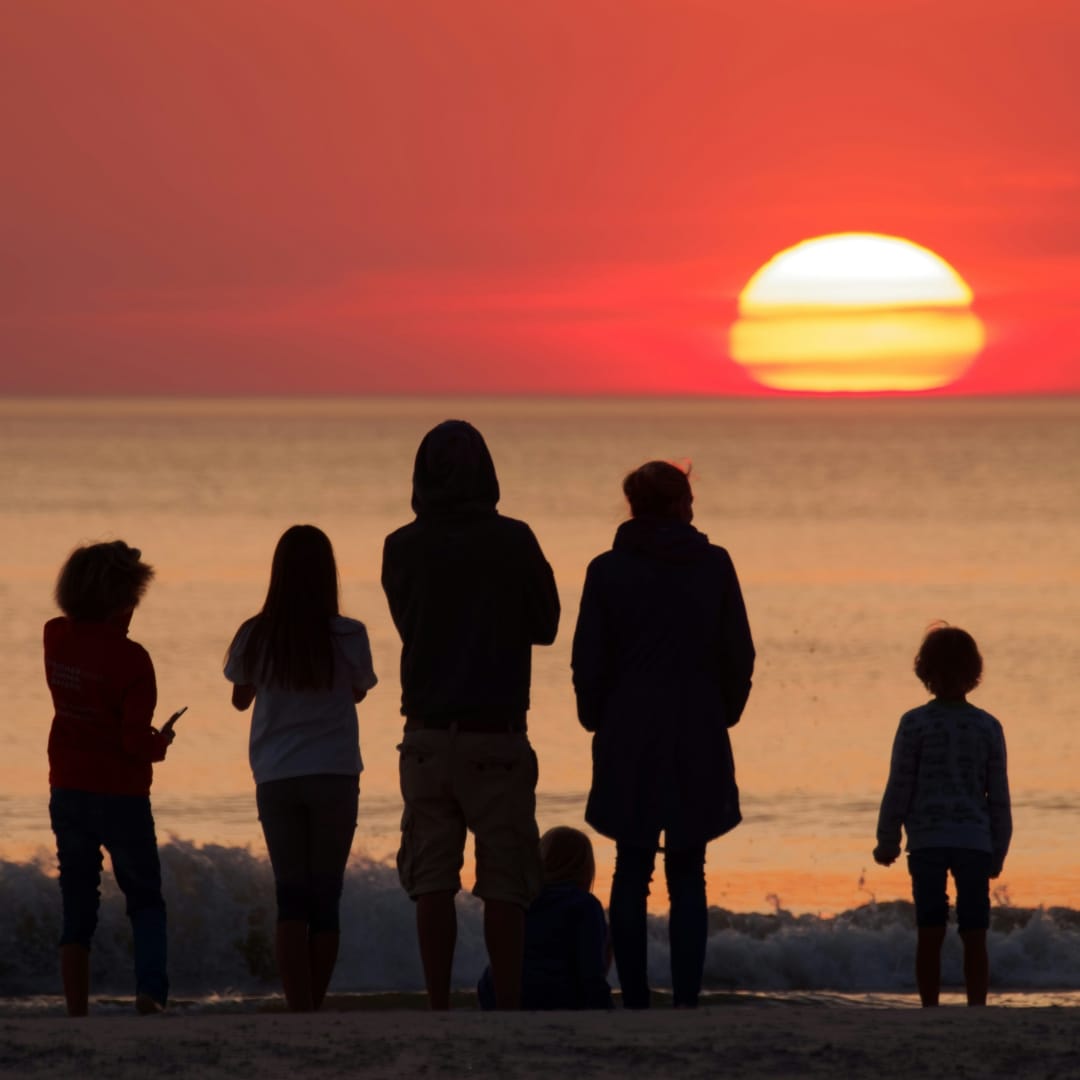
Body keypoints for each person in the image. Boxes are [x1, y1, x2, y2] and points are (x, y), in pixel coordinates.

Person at [382, 419, 560, 1010]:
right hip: (496, 733)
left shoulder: (400, 546)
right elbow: (547, 626)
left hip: (426, 731)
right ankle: (506, 1005)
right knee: (505, 881)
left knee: (431, 878)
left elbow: (409, 625)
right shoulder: (515, 540)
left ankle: (438, 1003)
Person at [572, 461, 754, 1009]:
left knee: (632, 866)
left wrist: (595, 716)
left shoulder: (606, 570)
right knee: (688, 870)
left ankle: (633, 997)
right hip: (696, 726)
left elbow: (588, 661)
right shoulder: (715, 565)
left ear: (633, 506)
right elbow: (738, 654)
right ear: (679, 504)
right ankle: (687, 999)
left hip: (629, 728)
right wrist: (723, 712)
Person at [225, 524, 376, 1011]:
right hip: (333, 773)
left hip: (276, 775)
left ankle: (297, 1006)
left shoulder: (256, 633)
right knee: (324, 895)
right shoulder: (349, 634)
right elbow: (358, 689)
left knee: (290, 895)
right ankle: (314, 1003)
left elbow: (239, 699)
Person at [45, 540, 176, 1016]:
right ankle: (150, 993)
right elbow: (133, 743)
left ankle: (76, 1007)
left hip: (68, 788)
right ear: (123, 601)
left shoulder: (54, 637)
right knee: (144, 897)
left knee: (77, 901)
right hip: (121, 794)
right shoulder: (133, 660)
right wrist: (161, 742)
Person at [874, 623, 1012, 1007]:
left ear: (925, 672)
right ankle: (976, 1007)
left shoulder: (914, 723)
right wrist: (998, 850)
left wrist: (887, 841)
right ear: (975, 673)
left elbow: (899, 787)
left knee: (930, 929)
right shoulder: (987, 726)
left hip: (928, 840)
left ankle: (931, 1007)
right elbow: (998, 797)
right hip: (973, 841)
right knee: (975, 931)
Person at [477, 826, 613, 1011]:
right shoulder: (584, 904)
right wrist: (604, 1004)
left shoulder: (520, 899)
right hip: (552, 994)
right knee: (607, 937)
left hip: (494, 990)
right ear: (586, 866)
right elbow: (591, 970)